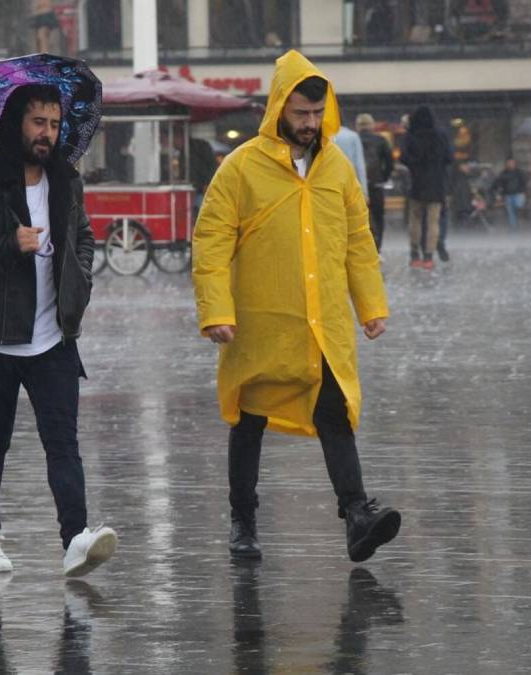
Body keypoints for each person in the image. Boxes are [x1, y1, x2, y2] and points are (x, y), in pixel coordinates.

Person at [192, 50, 402, 563]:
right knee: (249, 419)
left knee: (334, 411)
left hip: (322, 324)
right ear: (279, 109)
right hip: (259, 324)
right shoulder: (241, 168)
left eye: (316, 114)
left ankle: (357, 514)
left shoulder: (338, 169)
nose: (309, 124)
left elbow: (357, 239)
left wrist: (370, 304)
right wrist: (216, 311)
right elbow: (212, 241)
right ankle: (243, 521)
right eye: (300, 114)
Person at [0, 83, 117, 576]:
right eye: (39, 122)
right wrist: (6, 243)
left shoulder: (66, 181)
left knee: (63, 441)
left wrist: (80, 281)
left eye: (55, 124)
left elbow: (82, 235)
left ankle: (75, 539)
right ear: (17, 123)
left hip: (54, 337)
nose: (48, 134)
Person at [399, 106, 450, 269]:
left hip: (417, 183)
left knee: (415, 219)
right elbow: (449, 158)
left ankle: (415, 255)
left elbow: (404, 158)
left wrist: (416, 165)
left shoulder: (411, 136)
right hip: (436, 184)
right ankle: (429, 256)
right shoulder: (440, 135)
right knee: (433, 221)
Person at [356, 113, 394, 251]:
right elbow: (389, 162)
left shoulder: (355, 139)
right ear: (372, 125)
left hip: (357, 185)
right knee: (378, 216)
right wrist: (384, 177)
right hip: (376, 184)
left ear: (358, 126)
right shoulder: (381, 140)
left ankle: (362, 248)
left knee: (359, 217)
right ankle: (377, 247)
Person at [333, 125, 369, 201]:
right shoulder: (353, 136)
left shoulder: (323, 135)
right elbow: (359, 164)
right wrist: (364, 190)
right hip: (350, 181)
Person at [492, 157, 527, 228]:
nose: (510, 164)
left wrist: (523, 192)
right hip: (508, 195)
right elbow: (497, 182)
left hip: (518, 194)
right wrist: (498, 192)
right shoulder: (503, 173)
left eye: (512, 163)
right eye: (509, 163)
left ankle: (520, 225)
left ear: (515, 163)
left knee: (519, 210)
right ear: (506, 164)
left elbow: (524, 182)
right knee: (511, 212)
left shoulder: (520, 172)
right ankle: (513, 227)